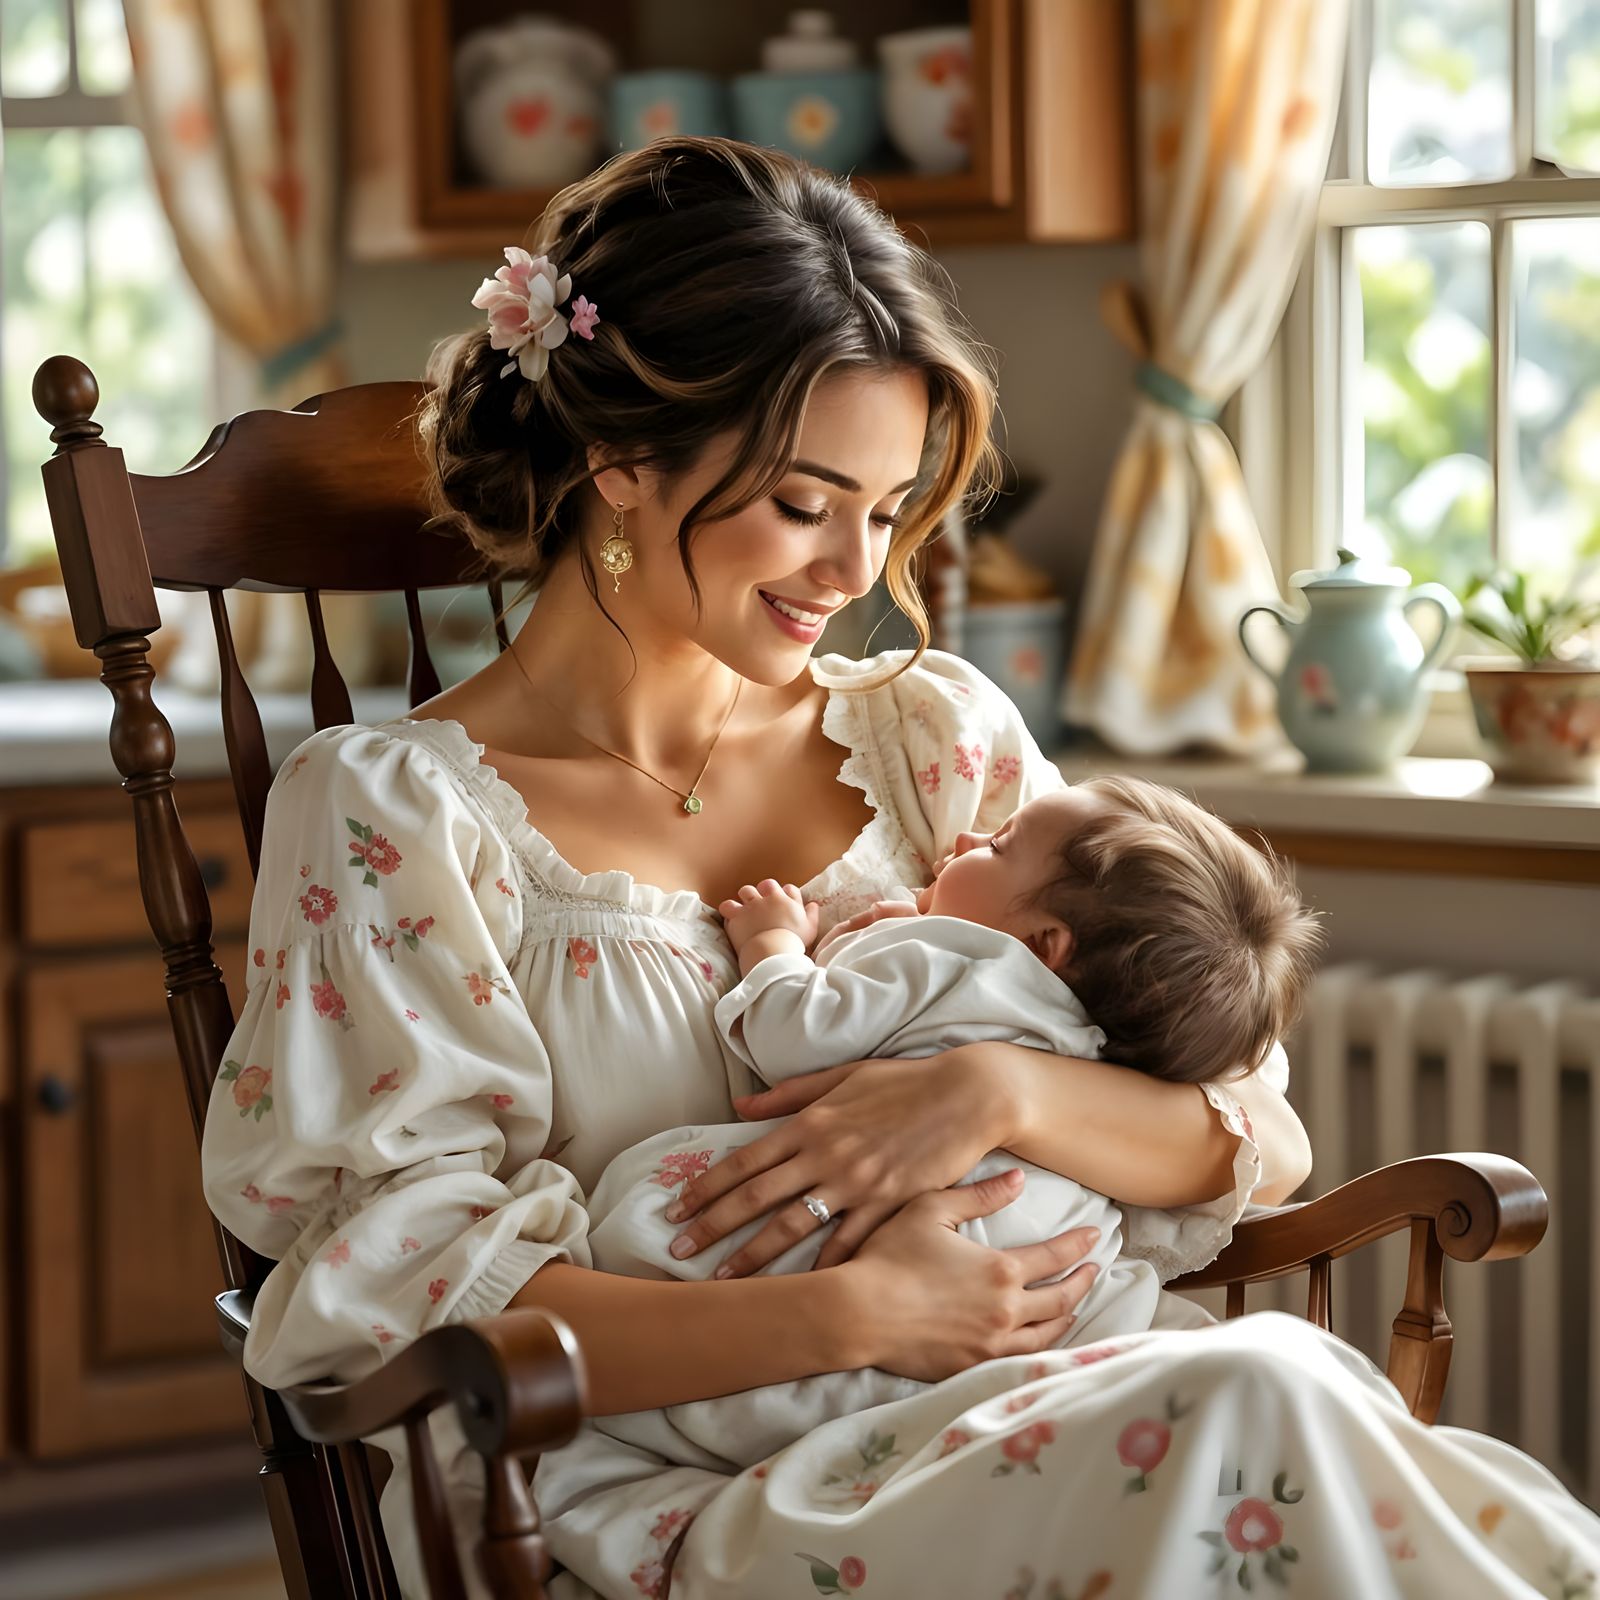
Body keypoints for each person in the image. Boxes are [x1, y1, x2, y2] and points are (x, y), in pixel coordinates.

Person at [199, 137, 1600, 1600]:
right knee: (1259, 1406)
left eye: (884, 509)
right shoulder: (397, 816)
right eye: (806, 506)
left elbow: (1243, 1129)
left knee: (1299, 1401)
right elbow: (402, 1291)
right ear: (620, 466)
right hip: (688, 1490)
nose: (854, 572)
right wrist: (860, 1313)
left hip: (1031, 1409)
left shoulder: (931, 743)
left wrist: (994, 1091)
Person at [579, 776, 1323, 1475]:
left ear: (1043, 945)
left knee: (639, 1210)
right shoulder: (1123, 1023)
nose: (963, 840)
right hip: (1053, 1280)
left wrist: (778, 946)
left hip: (909, 1265)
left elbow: (793, 1034)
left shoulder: (949, 952)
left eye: (997, 846)